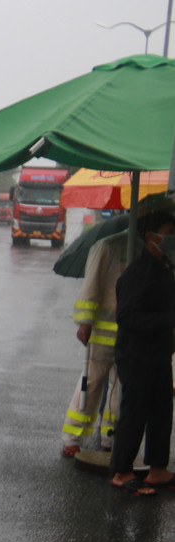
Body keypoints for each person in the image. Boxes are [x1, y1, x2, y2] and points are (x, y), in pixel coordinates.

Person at [61, 195, 175, 458]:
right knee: (90, 386)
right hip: (102, 334)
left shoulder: (154, 255)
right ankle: (72, 436)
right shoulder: (107, 247)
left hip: (133, 338)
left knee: (120, 390)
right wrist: (85, 322)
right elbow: (90, 289)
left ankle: (110, 435)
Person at [109, 209, 175, 496]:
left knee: (162, 412)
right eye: (170, 235)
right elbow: (127, 317)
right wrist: (169, 322)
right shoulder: (138, 272)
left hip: (159, 356)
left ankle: (158, 470)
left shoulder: (164, 268)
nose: (173, 240)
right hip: (136, 356)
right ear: (151, 237)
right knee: (134, 414)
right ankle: (122, 471)